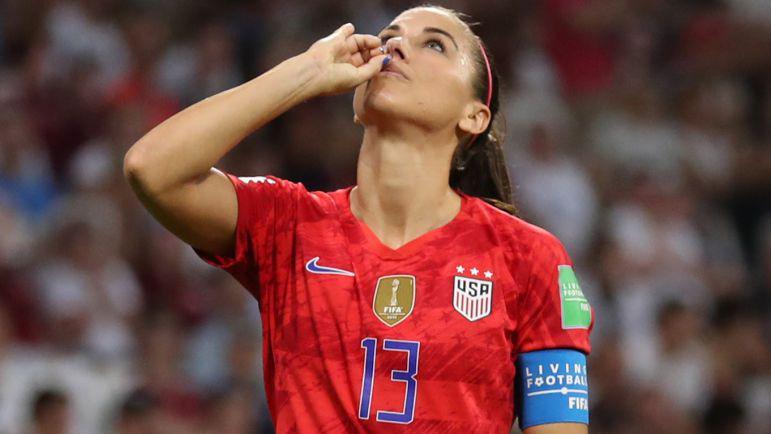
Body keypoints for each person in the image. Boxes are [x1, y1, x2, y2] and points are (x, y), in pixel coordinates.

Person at [124, 5, 594, 433]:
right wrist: (304, 72)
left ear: (474, 117)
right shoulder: (289, 224)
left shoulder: (528, 257)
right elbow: (153, 170)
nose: (395, 46)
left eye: (434, 44)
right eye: (389, 35)